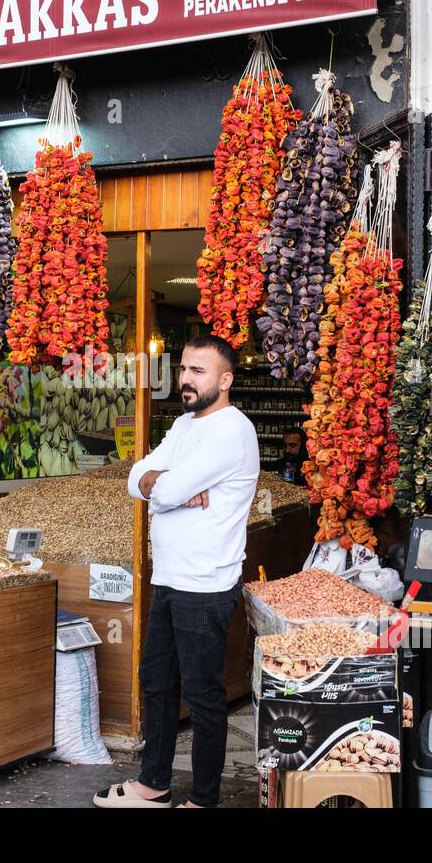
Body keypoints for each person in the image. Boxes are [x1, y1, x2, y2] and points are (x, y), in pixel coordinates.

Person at [92, 335, 260, 809]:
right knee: (156, 682)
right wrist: (163, 485)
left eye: (199, 371)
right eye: (184, 369)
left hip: (205, 585)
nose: (186, 379)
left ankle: (205, 798)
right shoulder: (186, 425)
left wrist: (165, 489)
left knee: (204, 695)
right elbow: (135, 478)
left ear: (225, 380)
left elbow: (161, 492)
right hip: (167, 578)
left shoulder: (233, 430)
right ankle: (153, 785)